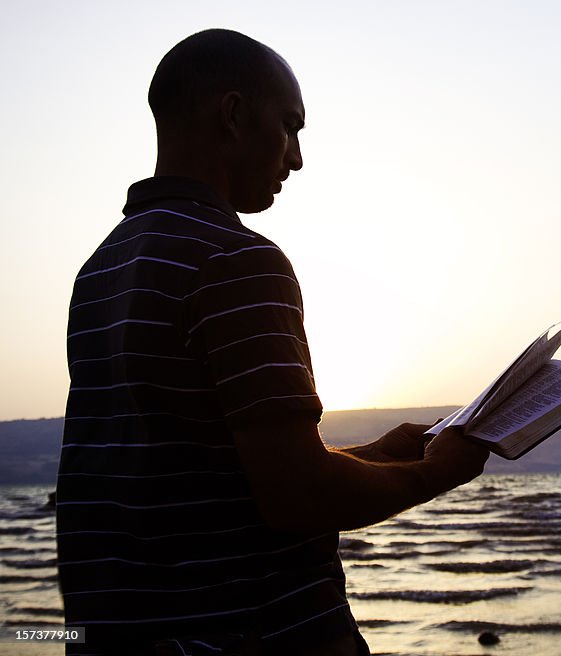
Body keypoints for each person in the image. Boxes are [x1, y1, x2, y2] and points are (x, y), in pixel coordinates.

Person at [56, 28, 489, 656]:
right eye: (290, 127)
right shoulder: (235, 259)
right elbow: (297, 495)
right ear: (232, 115)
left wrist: (381, 454)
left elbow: (217, 471)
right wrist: (436, 475)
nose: (296, 157)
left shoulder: (100, 270)